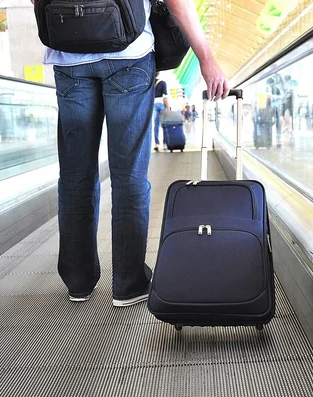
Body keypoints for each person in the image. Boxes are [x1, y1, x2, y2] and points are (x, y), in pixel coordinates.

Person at [32, 0, 229, 305]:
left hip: (68, 57)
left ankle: (79, 282)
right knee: (129, 176)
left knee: (75, 178)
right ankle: (129, 283)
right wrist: (207, 59)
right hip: (129, 55)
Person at [153, 73, 169, 151]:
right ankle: (165, 143)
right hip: (161, 105)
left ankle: (156, 143)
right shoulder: (163, 83)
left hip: (153, 104)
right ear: (159, 73)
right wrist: (168, 107)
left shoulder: (151, 83)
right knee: (164, 124)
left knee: (156, 125)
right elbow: (165, 97)